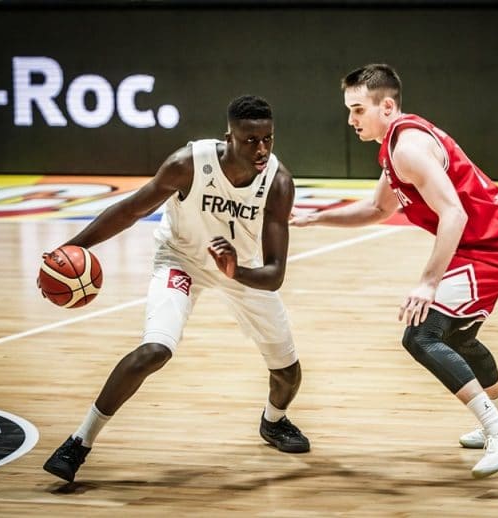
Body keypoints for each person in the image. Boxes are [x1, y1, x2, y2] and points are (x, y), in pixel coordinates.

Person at [43, 95, 310, 483]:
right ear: (229, 138)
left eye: (268, 139)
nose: (261, 149)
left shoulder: (278, 182)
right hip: (181, 260)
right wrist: (71, 248)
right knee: (154, 350)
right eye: (251, 140)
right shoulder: (188, 164)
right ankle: (78, 442)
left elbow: (275, 274)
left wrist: (235, 271)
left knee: (288, 372)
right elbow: (131, 210)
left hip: (242, 269)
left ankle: (274, 421)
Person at [291, 64, 498, 478]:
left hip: (488, 252)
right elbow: (377, 209)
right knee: (458, 338)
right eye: (349, 110)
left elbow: (454, 214)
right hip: (481, 248)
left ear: (386, 106)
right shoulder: (396, 143)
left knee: (420, 335)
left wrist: (428, 283)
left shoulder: (407, 148)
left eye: (358, 110)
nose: (351, 120)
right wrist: (316, 218)